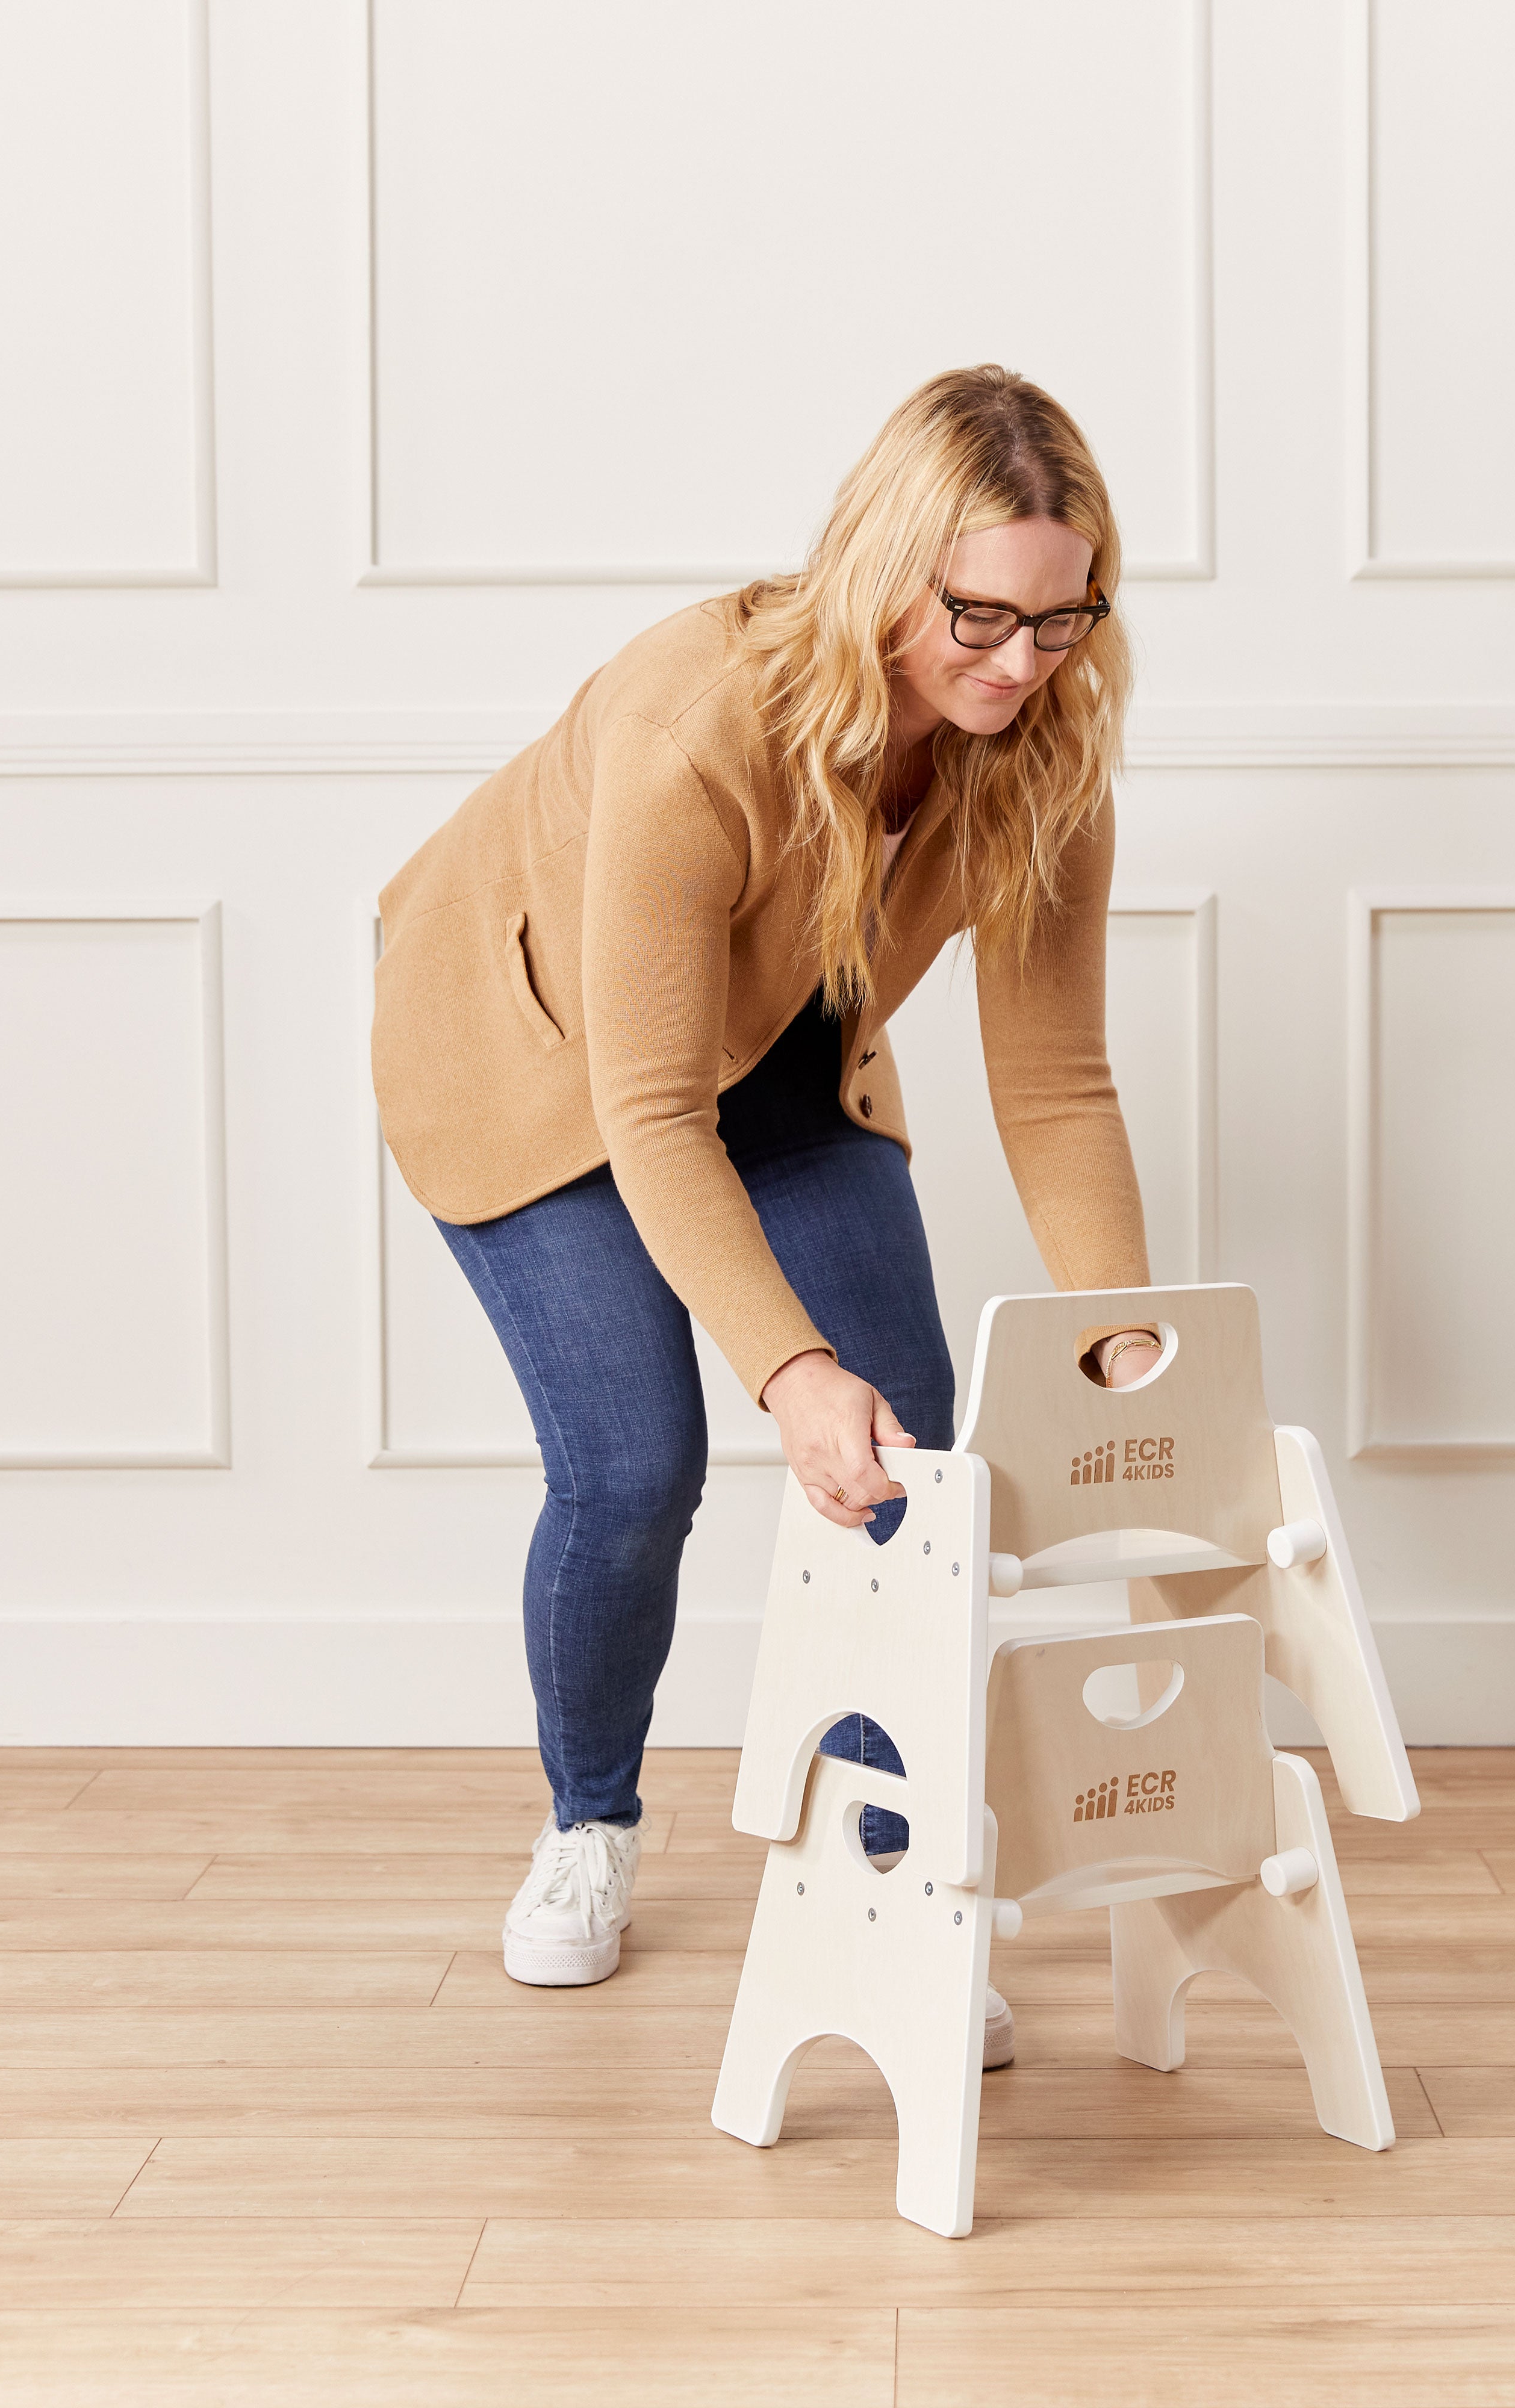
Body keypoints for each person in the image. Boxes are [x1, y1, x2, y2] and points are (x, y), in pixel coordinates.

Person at [370, 365, 1166, 2064]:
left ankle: (896, 1869)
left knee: (917, 1457)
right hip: (533, 1047)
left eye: (1065, 619)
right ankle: (590, 1824)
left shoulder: (1045, 749)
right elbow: (650, 1112)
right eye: (981, 616)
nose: (1023, 664)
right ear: (887, 566)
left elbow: (1058, 1090)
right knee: (636, 1465)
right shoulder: (694, 729)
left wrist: (1130, 1337)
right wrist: (787, 1371)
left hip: (782, 1042)